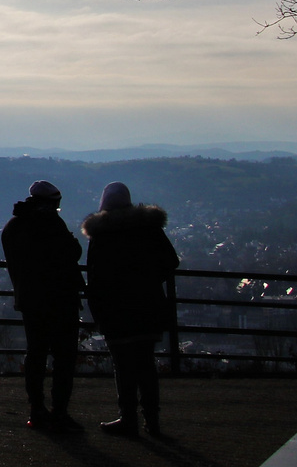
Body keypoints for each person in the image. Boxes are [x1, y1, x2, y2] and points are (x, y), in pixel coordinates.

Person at [83, 181, 179, 438]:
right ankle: (152, 420)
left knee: (123, 366)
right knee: (146, 364)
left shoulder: (101, 234)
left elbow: (95, 277)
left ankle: (128, 418)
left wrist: (99, 308)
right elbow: (170, 261)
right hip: (147, 306)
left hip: (115, 310)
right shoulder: (148, 228)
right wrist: (148, 280)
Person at [2, 180, 85, 433]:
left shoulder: (14, 227)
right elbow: (73, 252)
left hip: (31, 301)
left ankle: (37, 409)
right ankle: (60, 411)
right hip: (61, 298)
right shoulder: (52, 225)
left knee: (36, 354)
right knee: (64, 357)